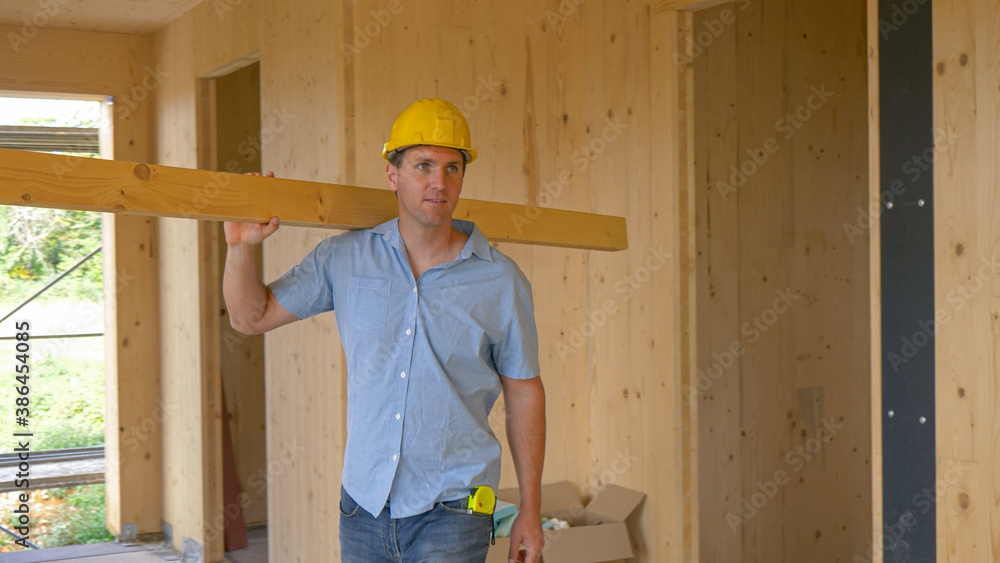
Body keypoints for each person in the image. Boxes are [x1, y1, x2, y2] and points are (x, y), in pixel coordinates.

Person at [223, 98, 546, 563]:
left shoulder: (500, 280)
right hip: (363, 508)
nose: (439, 181)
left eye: (453, 168)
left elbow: (525, 392)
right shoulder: (344, 258)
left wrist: (530, 513)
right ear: (392, 175)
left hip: (453, 511)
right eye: (423, 165)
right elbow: (249, 317)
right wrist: (239, 249)